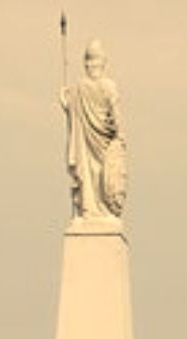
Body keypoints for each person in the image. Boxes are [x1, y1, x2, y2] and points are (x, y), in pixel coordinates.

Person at [58, 39, 127, 220]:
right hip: (104, 144)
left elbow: (73, 113)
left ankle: (88, 210)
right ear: (103, 62)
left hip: (88, 146)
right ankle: (103, 211)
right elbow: (116, 114)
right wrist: (121, 138)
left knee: (88, 174)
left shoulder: (78, 89)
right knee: (102, 174)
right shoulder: (108, 86)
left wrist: (66, 104)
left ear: (86, 62)